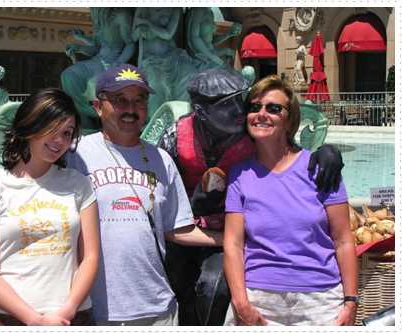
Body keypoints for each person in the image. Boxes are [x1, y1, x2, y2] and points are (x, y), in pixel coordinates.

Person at [0, 64, 223, 326]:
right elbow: (27, 172)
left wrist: (234, 239)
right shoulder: (71, 154)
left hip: (156, 308)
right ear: (98, 107)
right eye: (120, 100)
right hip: (92, 311)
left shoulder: (163, 160)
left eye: (139, 100)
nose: (130, 108)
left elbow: (175, 229)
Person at [157, 69, 345, 325]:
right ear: (201, 112)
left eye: (240, 100)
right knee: (168, 278)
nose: (239, 110)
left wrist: (326, 151)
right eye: (225, 104)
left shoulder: (251, 133)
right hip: (184, 234)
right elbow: (158, 200)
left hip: (232, 239)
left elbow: (287, 151)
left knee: (214, 287)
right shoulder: (174, 137)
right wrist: (192, 207)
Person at [223, 75, 358, 326]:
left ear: (289, 120)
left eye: (273, 108)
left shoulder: (320, 168)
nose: (261, 114)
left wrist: (351, 302)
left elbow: (343, 240)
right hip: (258, 298)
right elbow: (233, 243)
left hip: (320, 298)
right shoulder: (239, 174)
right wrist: (241, 303)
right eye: (255, 107)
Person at [0, 88, 100, 326]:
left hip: (73, 319)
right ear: (29, 124)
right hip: (7, 320)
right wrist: (35, 321)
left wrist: (67, 312)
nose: (59, 140)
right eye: (51, 129)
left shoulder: (78, 184)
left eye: (67, 133)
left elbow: (90, 257)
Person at [61, 7, 136, 130]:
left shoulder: (121, 14)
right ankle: (84, 120)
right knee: (68, 75)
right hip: (98, 60)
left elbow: (130, 44)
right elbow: (97, 47)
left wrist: (117, 63)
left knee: (93, 81)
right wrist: (78, 47)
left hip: (113, 60)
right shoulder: (99, 18)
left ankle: (108, 121)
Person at [131, 7, 197, 125]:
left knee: (191, 74)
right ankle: (156, 123)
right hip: (152, 59)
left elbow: (167, 34)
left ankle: (182, 119)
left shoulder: (174, 9)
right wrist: (139, 29)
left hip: (173, 56)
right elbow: (133, 36)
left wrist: (147, 23)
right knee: (157, 81)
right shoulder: (142, 7)